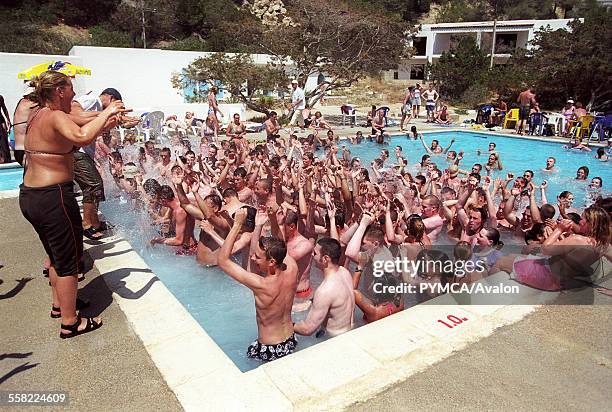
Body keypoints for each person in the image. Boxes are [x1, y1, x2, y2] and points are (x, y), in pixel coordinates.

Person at [19, 71, 127, 338]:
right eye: (71, 89)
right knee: (69, 261)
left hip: (32, 196)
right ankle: (70, 322)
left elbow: (82, 120)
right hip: (52, 196)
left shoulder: (40, 115)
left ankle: (60, 305)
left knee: (55, 256)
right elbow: (82, 137)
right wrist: (108, 110)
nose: (74, 94)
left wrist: (111, 119)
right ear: (59, 91)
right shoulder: (55, 115)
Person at [217, 208, 299, 362]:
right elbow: (281, 246)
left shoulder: (262, 284)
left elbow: (222, 260)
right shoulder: (292, 267)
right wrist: (267, 222)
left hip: (270, 348)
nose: (253, 258)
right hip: (290, 340)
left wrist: (236, 225)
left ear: (272, 262)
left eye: (258, 257)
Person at [71, 88, 136, 240]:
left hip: (84, 152)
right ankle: (86, 224)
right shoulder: (93, 100)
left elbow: (97, 128)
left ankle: (95, 221)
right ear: (110, 98)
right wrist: (107, 114)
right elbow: (74, 114)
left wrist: (119, 121)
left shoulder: (98, 109)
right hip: (77, 150)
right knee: (94, 185)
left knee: (97, 187)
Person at [293, 237, 354, 337]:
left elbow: (307, 329)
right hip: (348, 331)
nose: (312, 255)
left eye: (315, 253)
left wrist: (285, 325)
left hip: (333, 340)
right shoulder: (344, 272)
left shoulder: (325, 291)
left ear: (325, 259)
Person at [0, 94, 11, 163]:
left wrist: (8, 120)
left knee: (3, 139)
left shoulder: (0, 97)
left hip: (1, 120)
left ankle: (5, 157)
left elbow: (4, 109)